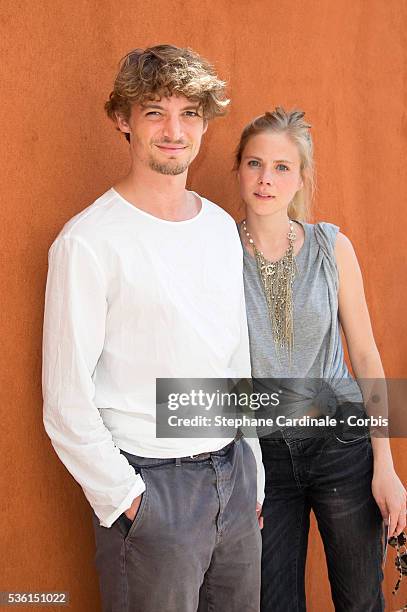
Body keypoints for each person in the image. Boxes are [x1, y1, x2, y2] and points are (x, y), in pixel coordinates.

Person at [42, 45, 264, 612]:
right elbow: (65, 401)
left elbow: (236, 360)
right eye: (154, 112)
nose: (174, 129)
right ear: (123, 120)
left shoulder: (218, 227)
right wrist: (129, 500)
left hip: (234, 482)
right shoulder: (88, 241)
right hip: (152, 489)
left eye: (190, 112)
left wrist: (253, 474)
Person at [235, 107, 406, 611]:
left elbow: (366, 353)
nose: (266, 179)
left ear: (300, 178)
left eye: (282, 167)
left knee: (359, 600)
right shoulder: (216, 253)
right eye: (254, 163)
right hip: (265, 456)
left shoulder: (333, 248)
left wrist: (386, 465)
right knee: (274, 602)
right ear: (239, 170)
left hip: (341, 444)